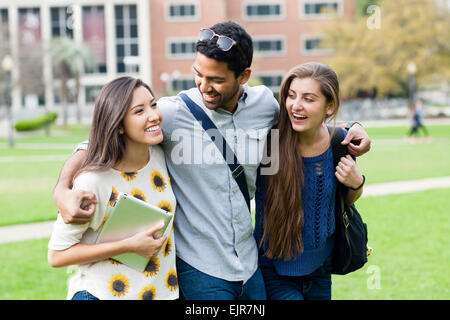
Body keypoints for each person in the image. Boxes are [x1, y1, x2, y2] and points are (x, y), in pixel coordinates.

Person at [52, 21, 371, 300]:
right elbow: (101, 137)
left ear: (244, 75)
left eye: (216, 79)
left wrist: (351, 128)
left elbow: (301, 120)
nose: (204, 86)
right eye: (198, 75)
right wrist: (63, 188)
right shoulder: (173, 113)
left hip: (250, 268)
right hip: (200, 269)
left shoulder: (264, 107)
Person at [48, 76, 178, 300]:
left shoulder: (159, 155)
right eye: (139, 111)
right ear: (118, 125)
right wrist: (128, 245)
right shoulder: (92, 182)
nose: (154, 115)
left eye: (153, 104)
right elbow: (57, 255)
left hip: (160, 293)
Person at [254, 62, 365, 300]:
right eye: (291, 96)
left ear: (329, 106)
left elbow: (346, 200)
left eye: (309, 98)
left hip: (321, 270)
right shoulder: (271, 143)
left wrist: (357, 184)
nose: (296, 105)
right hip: (274, 269)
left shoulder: (339, 143)